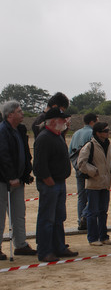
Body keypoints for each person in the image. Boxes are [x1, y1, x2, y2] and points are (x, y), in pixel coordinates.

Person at [33, 108, 79, 262]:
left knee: (59, 217)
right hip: (50, 184)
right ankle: (45, 251)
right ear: (53, 122)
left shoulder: (57, 135)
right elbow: (39, 164)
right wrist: (48, 180)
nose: (65, 122)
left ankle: (59, 247)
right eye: (62, 119)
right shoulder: (44, 137)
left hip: (59, 182)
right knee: (47, 218)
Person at [0, 101, 36, 259]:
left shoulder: (20, 129)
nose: (22, 114)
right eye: (19, 111)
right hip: (4, 181)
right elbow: (4, 156)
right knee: (0, 216)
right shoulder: (2, 131)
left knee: (19, 213)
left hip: (19, 180)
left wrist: (26, 173)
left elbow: (25, 153)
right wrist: (10, 177)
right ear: (10, 115)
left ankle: (21, 244)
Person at [77, 122, 111, 246]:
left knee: (103, 211)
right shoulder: (90, 146)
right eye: (105, 130)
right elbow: (81, 163)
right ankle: (93, 238)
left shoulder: (109, 145)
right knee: (92, 212)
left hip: (105, 184)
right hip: (94, 184)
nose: (108, 132)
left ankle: (103, 236)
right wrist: (94, 172)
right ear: (98, 132)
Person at [68, 112, 98, 231]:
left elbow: (70, 151)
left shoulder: (76, 133)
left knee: (81, 196)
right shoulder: (92, 133)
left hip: (78, 169)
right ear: (92, 122)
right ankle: (86, 217)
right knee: (92, 195)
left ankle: (81, 219)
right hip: (90, 170)